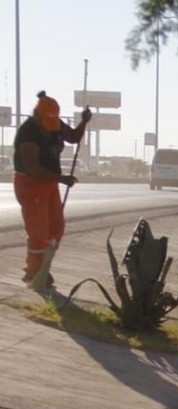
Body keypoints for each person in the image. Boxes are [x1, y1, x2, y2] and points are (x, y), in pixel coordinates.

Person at [13, 91, 91, 289]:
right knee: (38, 232)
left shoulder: (54, 124)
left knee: (56, 228)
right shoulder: (28, 132)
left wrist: (84, 122)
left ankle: (43, 269)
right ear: (37, 115)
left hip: (49, 183)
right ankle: (33, 273)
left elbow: (73, 137)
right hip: (30, 184)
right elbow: (32, 168)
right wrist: (61, 178)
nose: (52, 126)